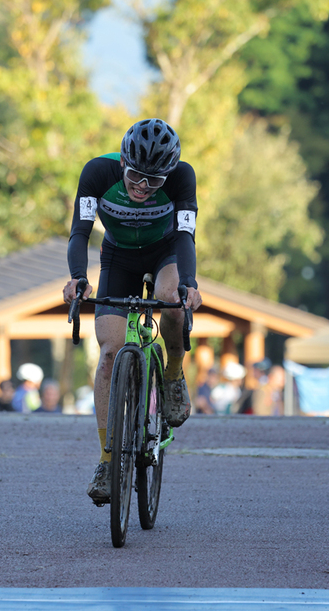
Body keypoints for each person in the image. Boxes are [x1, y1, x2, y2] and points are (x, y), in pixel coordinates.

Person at [61, 118, 202, 505]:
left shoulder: (182, 177)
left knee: (171, 298)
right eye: (137, 176)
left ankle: (173, 375)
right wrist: (77, 278)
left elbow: (187, 235)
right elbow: (80, 232)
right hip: (117, 257)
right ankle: (108, 462)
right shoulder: (96, 172)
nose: (143, 188)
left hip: (165, 252)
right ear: (123, 162)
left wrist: (189, 283)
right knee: (108, 356)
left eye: (154, 182)